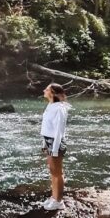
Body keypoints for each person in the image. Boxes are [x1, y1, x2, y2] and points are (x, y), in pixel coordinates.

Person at [41, 82, 70, 210]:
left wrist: (55, 149)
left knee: (58, 173)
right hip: (48, 140)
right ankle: (54, 197)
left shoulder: (60, 108)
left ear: (52, 93)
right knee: (52, 171)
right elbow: (46, 127)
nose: (44, 90)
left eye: (47, 89)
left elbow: (59, 131)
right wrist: (44, 143)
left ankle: (59, 201)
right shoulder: (50, 105)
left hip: (56, 142)